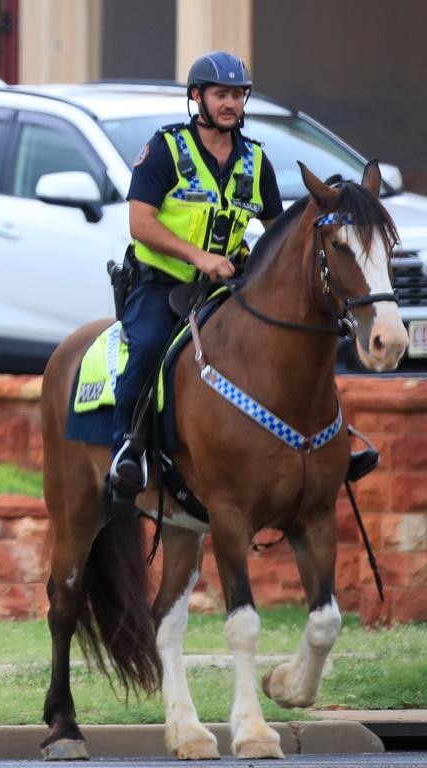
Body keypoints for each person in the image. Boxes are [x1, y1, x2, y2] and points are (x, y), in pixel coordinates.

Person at [108, 51, 284, 504]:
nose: (231, 104)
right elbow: (140, 223)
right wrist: (199, 256)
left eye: (238, 95)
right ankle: (128, 450)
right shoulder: (165, 148)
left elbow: (276, 231)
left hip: (228, 287)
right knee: (147, 346)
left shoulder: (257, 161)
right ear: (196, 97)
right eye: (221, 94)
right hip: (162, 285)